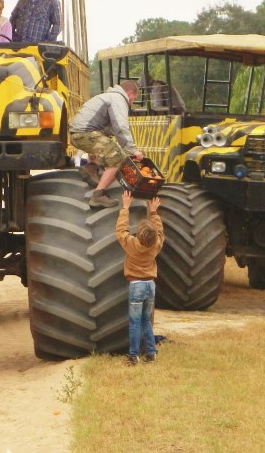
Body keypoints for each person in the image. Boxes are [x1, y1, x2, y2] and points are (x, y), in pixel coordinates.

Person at [69, 80, 144, 208]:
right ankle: (97, 196)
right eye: (133, 99)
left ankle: (90, 168)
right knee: (119, 160)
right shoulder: (118, 98)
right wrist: (133, 150)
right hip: (85, 134)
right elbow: (120, 127)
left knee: (112, 152)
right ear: (130, 93)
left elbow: (110, 129)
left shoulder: (108, 96)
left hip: (79, 133)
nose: (132, 102)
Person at [117, 192, 164, 365]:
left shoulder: (131, 244)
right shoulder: (156, 246)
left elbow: (121, 230)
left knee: (135, 323)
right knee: (146, 321)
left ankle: (133, 355)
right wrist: (153, 212)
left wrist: (125, 207)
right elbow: (159, 231)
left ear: (139, 234)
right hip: (150, 285)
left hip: (136, 285)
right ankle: (151, 352)